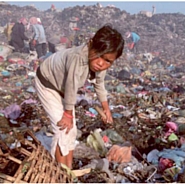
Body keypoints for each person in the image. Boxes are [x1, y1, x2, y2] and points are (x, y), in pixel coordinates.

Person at [34, 24, 124, 169]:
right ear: (91, 44)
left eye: (108, 61)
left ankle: (67, 170)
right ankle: (59, 172)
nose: (101, 63)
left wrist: (106, 108)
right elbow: (71, 86)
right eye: (99, 56)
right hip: (47, 83)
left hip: (62, 87)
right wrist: (68, 114)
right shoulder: (78, 57)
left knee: (72, 130)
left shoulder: (99, 64)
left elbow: (99, 84)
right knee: (62, 128)